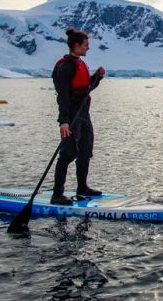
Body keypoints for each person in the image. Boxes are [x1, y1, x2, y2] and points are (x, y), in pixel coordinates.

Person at [51, 28, 105, 205]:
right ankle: (57, 194)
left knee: (85, 150)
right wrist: (64, 121)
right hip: (72, 116)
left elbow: (87, 88)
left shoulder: (80, 63)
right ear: (76, 45)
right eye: (86, 45)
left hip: (83, 115)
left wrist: (97, 77)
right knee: (68, 153)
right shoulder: (65, 66)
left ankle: (82, 187)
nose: (88, 48)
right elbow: (63, 96)